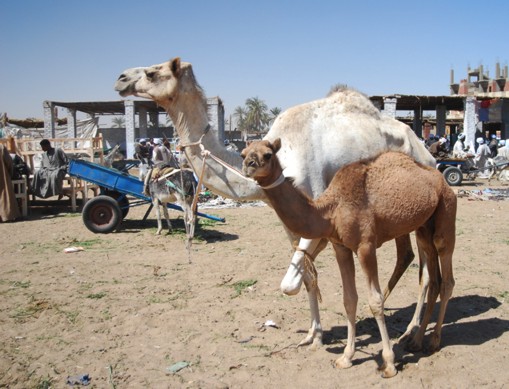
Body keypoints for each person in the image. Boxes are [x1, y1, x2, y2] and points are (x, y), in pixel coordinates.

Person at [0, 144, 21, 221]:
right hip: (2, 177)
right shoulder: (1, 147)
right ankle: (6, 215)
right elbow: (9, 162)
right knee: (4, 197)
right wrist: (9, 173)